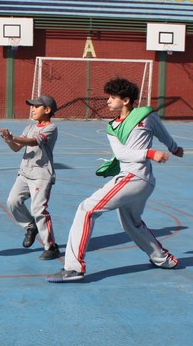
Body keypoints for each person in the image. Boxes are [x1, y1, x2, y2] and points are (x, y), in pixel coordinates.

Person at [48, 77, 183, 283]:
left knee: (86, 210)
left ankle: (74, 268)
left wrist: (174, 148)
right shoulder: (112, 127)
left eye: (112, 97)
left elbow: (164, 134)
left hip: (134, 177)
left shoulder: (146, 115)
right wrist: (151, 153)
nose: (108, 101)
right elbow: (122, 154)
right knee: (132, 223)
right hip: (139, 179)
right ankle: (164, 259)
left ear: (126, 100)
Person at [0, 95, 60, 260]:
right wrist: (8, 140)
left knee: (38, 209)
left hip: (41, 176)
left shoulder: (51, 128)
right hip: (25, 173)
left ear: (47, 110)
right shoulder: (29, 127)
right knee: (12, 202)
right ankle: (30, 226)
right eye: (32, 106)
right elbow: (16, 148)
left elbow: (33, 142)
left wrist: (13, 137)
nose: (32, 109)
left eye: (36, 107)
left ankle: (51, 247)